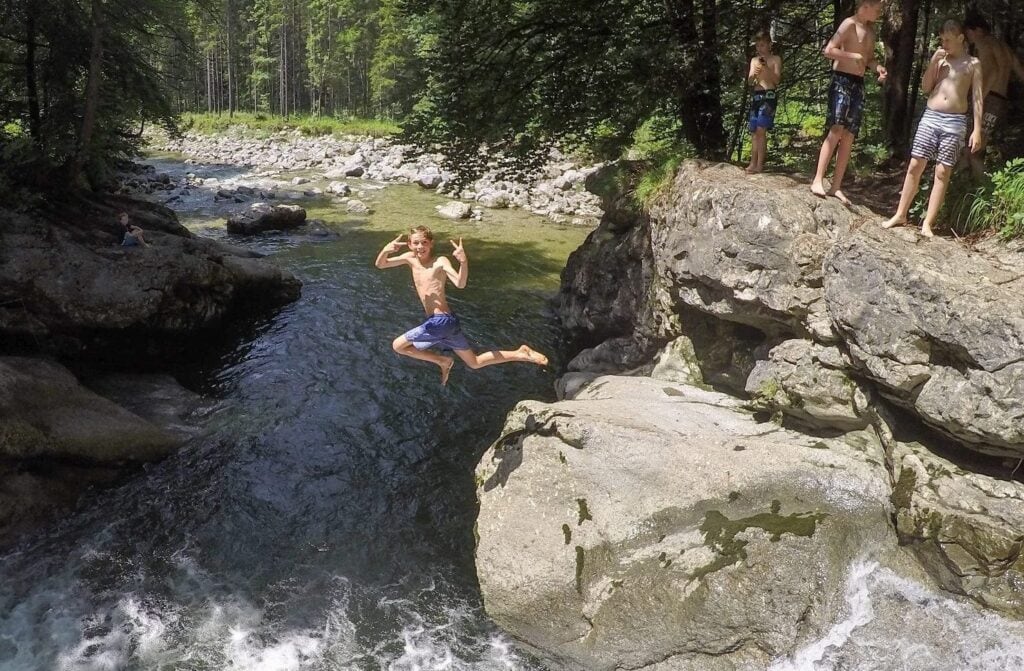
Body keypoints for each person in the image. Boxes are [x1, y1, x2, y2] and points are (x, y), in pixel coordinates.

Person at [374, 225, 548, 385]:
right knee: (475, 362)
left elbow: (460, 283)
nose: (420, 247)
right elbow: (381, 264)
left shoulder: (440, 261)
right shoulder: (409, 258)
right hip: (447, 324)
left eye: (424, 242)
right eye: (416, 243)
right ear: (410, 245)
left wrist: (463, 262)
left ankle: (442, 361)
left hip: (440, 321)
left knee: (398, 346)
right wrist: (385, 250)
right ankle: (521, 353)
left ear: (431, 243)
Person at [883, 20, 983, 237]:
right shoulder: (940, 60)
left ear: (960, 38)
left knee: (942, 170)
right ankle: (900, 213)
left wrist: (977, 129)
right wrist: (933, 63)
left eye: (948, 39)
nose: (944, 43)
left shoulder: (972, 64)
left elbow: (976, 97)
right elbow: (926, 87)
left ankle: (927, 223)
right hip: (931, 116)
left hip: (955, 121)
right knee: (915, 164)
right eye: (941, 39)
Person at [810, 0, 888, 205]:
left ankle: (836, 186)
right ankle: (818, 179)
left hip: (858, 83)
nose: (879, 13)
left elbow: (868, 59)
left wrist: (877, 67)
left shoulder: (871, 32)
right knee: (836, 128)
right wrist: (850, 55)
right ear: (865, 6)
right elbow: (828, 50)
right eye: (877, 9)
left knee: (849, 135)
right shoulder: (848, 24)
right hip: (842, 79)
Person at [963, 13, 1024, 176]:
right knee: (978, 144)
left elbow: (993, 71)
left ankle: (980, 190)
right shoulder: (1004, 46)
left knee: (973, 146)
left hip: (989, 98)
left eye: (968, 33)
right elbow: (1020, 71)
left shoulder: (984, 43)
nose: (968, 37)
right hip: (1001, 100)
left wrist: (979, 98)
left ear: (976, 30)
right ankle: (968, 185)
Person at [745, 31, 783, 174]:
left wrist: (766, 67)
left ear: (769, 45)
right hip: (757, 95)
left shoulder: (775, 59)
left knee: (761, 130)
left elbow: (777, 80)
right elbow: (750, 81)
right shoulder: (754, 61)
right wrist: (754, 74)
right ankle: (752, 163)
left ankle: (760, 164)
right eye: (757, 45)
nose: (759, 48)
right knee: (754, 131)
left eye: (762, 45)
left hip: (769, 95)